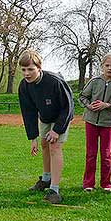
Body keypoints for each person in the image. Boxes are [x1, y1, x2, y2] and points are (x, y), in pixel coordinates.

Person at [18, 49, 74, 204]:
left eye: (30, 69)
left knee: (54, 146)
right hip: (45, 117)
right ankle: (46, 179)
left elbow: (68, 107)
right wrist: (33, 138)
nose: (27, 73)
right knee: (44, 144)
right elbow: (28, 113)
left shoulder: (54, 81)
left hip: (62, 116)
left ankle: (54, 190)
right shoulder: (24, 86)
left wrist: (57, 130)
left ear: (39, 68)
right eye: (23, 70)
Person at [79, 54, 111, 192]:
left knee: (106, 154)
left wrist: (106, 105)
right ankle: (88, 184)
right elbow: (82, 97)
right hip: (91, 121)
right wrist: (89, 106)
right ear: (102, 66)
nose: (110, 68)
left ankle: (106, 184)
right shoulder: (94, 81)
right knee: (91, 153)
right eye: (107, 65)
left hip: (107, 123)